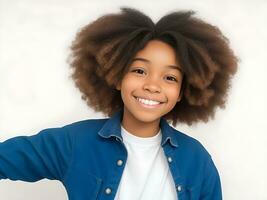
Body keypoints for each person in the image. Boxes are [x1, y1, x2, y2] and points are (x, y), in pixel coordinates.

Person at [0, 7, 238, 200]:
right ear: (116, 76)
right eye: (139, 70)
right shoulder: (75, 143)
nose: (152, 85)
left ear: (182, 92)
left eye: (170, 77)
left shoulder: (197, 159)